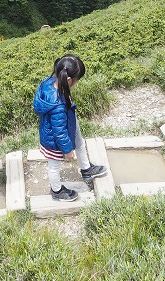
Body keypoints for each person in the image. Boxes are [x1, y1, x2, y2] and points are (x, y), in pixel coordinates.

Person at [33, 54, 108, 201]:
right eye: (77, 80)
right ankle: (56, 190)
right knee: (54, 165)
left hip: (69, 122)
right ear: (68, 80)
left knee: (79, 142)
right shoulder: (58, 104)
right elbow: (59, 132)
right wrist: (67, 151)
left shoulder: (51, 81)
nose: (77, 83)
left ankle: (86, 169)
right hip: (54, 141)